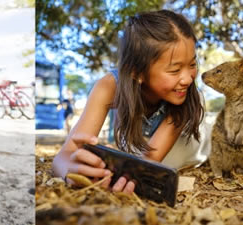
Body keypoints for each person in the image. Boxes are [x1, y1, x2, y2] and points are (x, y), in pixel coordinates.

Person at [52, 10, 212, 194]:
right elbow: (62, 157)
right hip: (144, 147)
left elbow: (149, 161)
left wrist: (122, 176)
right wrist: (71, 171)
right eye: (175, 70)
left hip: (196, 148)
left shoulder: (186, 96)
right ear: (136, 72)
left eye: (192, 64)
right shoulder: (108, 87)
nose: (188, 79)